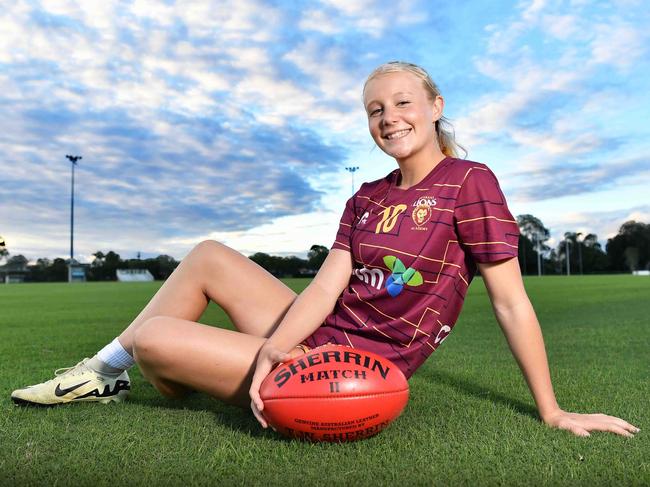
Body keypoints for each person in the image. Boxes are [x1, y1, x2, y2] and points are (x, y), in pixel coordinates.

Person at [12, 61, 639, 438]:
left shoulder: (470, 182)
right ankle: (100, 376)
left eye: (401, 103)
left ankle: (164, 369)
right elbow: (323, 288)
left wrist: (553, 411)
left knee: (154, 341)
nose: (388, 118)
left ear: (435, 108)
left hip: (357, 368)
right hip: (316, 334)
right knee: (206, 254)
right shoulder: (368, 195)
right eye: (374, 110)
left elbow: (510, 303)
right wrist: (276, 348)